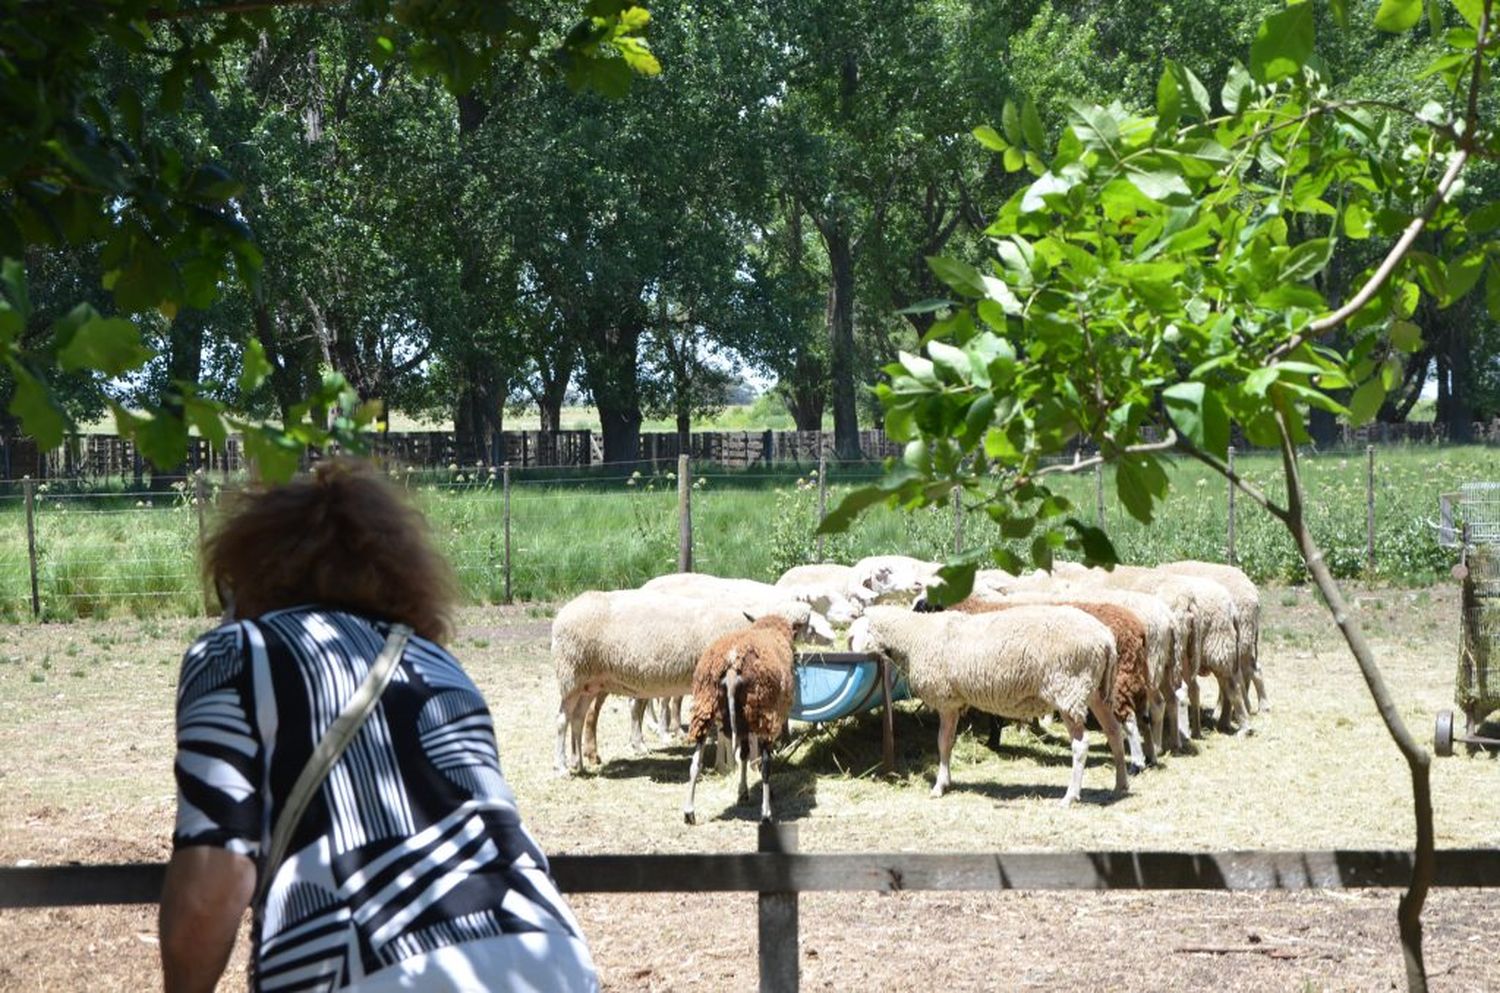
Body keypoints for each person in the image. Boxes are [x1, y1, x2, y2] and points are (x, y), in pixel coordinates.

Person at [159, 459, 597, 993]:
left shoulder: (234, 653)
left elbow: (214, 884)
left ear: (250, 571)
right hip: (544, 952)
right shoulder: (441, 665)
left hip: (367, 966)